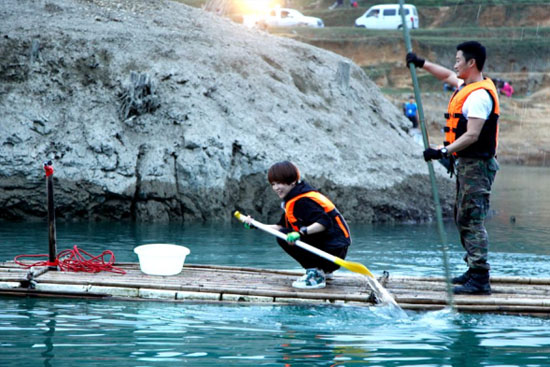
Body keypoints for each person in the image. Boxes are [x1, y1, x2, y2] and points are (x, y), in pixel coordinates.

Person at [406, 41, 500, 295]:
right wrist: (421, 63)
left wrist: (442, 151)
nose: (454, 64)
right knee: (462, 217)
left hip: (477, 166)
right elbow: (446, 75)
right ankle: (473, 268)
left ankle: (480, 278)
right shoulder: (467, 86)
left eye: (459, 60)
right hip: (466, 165)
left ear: (472, 63)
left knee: (472, 218)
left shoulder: (480, 96)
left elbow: (472, 135)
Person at [244, 161, 351, 289]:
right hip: (331, 252)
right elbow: (279, 227)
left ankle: (316, 274)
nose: (276, 188)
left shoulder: (303, 201)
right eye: (273, 184)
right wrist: (256, 225)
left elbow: (324, 222)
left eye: (280, 183)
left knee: (284, 236)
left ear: (292, 181)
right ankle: (322, 270)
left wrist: (301, 233)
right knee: (284, 233)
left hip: (333, 252)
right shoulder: (294, 199)